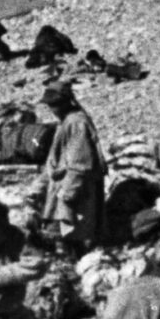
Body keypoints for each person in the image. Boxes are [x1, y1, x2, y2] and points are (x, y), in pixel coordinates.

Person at [39, 80, 106, 255]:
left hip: (76, 189)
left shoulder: (76, 123)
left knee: (73, 233)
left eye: (53, 105)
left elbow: (80, 164)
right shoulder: (67, 121)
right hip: (65, 186)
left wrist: (67, 195)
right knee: (64, 235)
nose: (51, 110)